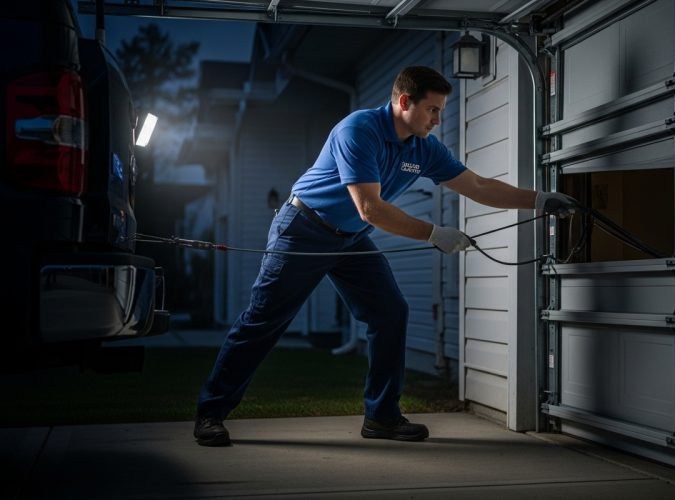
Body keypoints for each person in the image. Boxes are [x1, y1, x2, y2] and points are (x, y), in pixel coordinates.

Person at [193, 65, 576, 446]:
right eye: (432, 110)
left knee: (390, 312)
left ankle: (382, 417)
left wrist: (539, 200)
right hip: (304, 228)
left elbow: (475, 185)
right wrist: (434, 234)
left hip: (351, 239)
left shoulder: (423, 148)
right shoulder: (358, 131)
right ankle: (210, 413)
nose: (437, 120)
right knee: (263, 320)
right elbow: (371, 209)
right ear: (404, 101)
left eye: (441, 111)